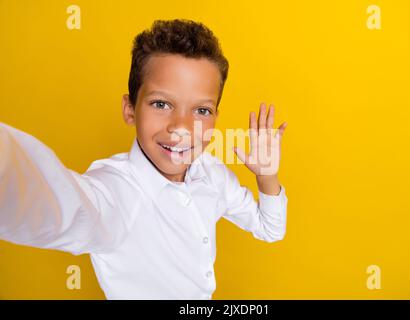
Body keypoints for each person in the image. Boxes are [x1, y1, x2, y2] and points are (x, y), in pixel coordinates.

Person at [0, 19, 288, 299]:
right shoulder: (114, 192)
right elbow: (53, 204)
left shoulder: (212, 174)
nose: (182, 127)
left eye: (201, 110)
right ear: (130, 109)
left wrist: (266, 175)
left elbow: (270, 229)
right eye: (161, 104)